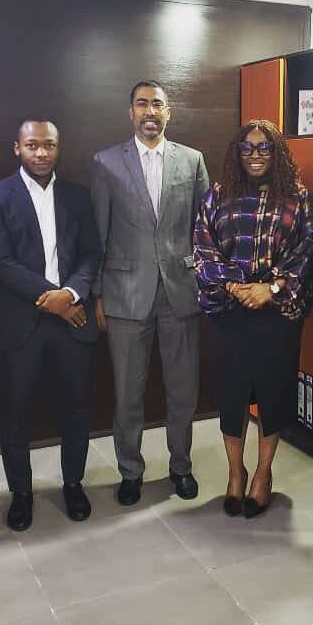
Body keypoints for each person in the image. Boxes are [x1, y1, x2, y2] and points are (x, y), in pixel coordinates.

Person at [90, 80, 210, 506]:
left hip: (181, 292)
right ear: (131, 112)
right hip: (124, 294)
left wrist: (205, 281)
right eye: (142, 104)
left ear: (168, 111)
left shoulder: (192, 160)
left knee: (183, 391)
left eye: (157, 104)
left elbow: (204, 229)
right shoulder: (106, 163)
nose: (150, 111)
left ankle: (182, 467)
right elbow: (98, 233)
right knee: (128, 394)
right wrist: (98, 294)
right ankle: (130, 471)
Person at [0, 119, 101, 531]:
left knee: (76, 409)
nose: (42, 153)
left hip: (73, 318)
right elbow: (1, 262)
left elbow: (91, 254)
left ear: (58, 148)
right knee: (16, 413)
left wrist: (71, 293)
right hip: (21, 322)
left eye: (49, 145)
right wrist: (56, 300)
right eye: (32, 145)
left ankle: (73, 484)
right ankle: (21, 494)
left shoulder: (78, 195)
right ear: (17, 148)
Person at [193, 120, 313, 517]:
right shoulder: (218, 195)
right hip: (229, 313)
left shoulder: (298, 197)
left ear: (277, 152)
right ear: (237, 154)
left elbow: (309, 252)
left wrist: (272, 288)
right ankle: (236, 473)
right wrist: (235, 286)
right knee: (231, 395)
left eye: (264, 148)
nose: (255, 155)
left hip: (276, 315)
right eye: (247, 148)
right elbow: (203, 250)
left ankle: (263, 474)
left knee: (272, 394)